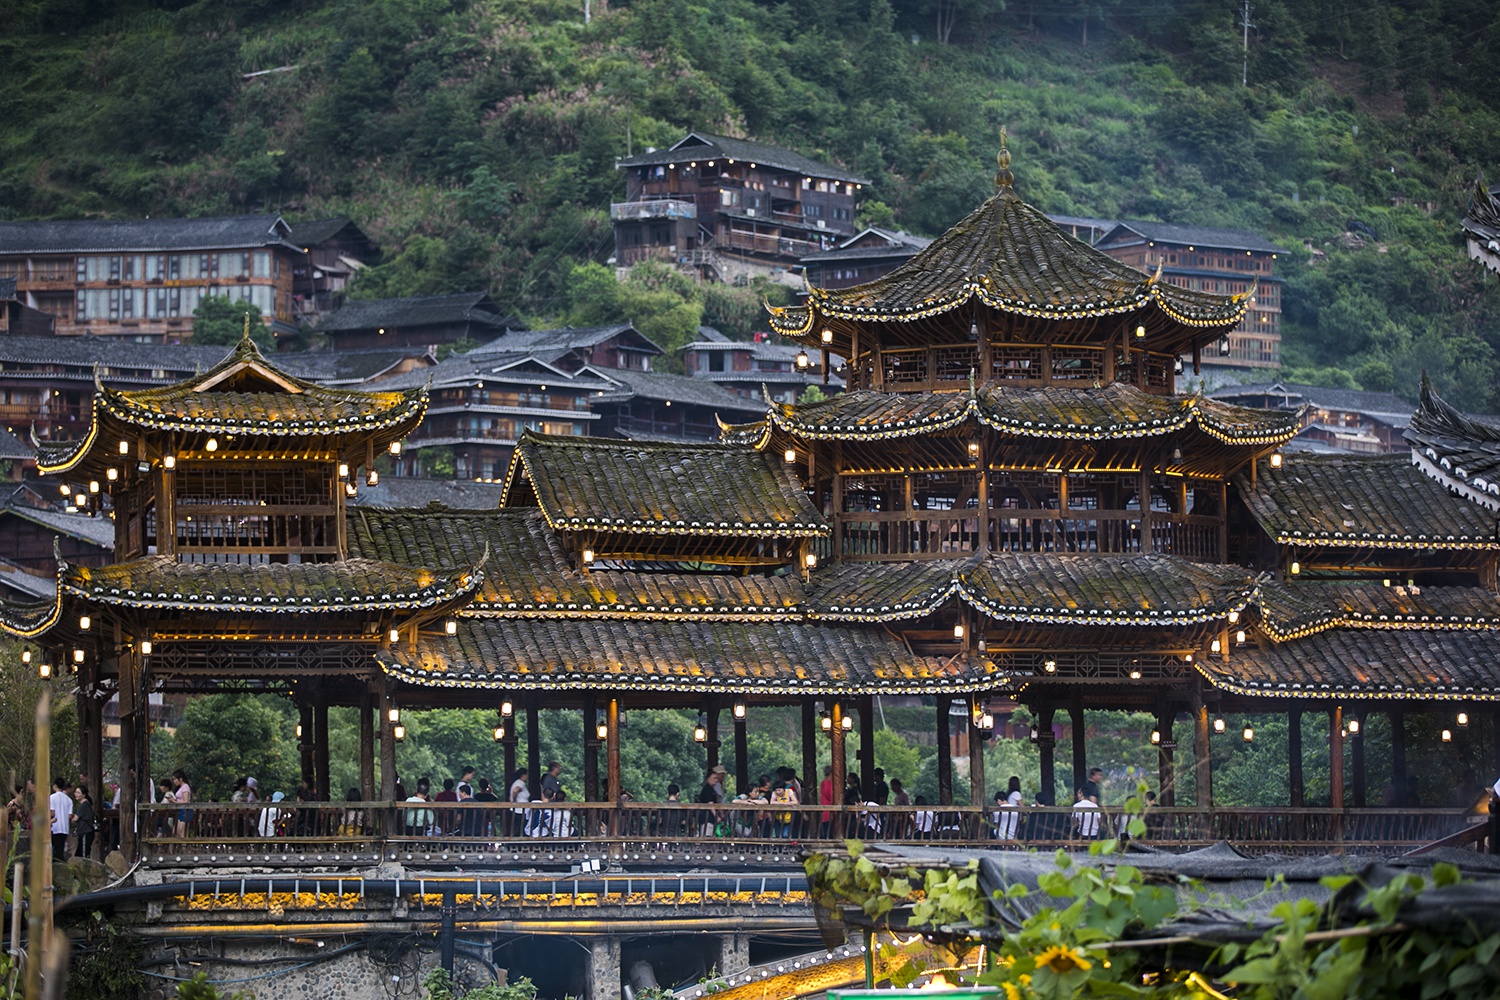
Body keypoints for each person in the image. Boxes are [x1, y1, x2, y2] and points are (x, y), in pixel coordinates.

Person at [697, 765, 727, 835]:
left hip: (710, 819)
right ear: (708, 779)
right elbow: (710, 804)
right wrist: (717, 816)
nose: (716, 780)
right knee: (707, 836)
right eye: (714, 778)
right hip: (707, 818)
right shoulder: (707, 789)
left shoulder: (712, 789)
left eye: (716, 778)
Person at [48, 779, 72, 859]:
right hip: (65, 828)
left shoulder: (52, 797)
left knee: (56, 851)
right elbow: (69, 816)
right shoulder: (69, 800)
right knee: (61, 848)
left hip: (55, 827)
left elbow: (52, 813)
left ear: (55, 786)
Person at [72, 784, 96, 859]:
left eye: (79, 793)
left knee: (84, 854)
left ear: (84, 795)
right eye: (76, 792)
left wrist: (69, 817)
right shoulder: (86, 804)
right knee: (79, 854)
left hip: (86, 832)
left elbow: (75, 819)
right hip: (84, 832)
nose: (76, 794)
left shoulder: (83, 805)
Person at [995, 776, 1023, 840]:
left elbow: (996, 824)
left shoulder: (1010, 794)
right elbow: (1022, 807)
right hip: (1014, 823)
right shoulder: (1016, 794)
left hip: (1003, 830)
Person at [507, 767, 530, 837]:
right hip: (520, 811)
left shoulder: (517, 782)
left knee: (518, 829)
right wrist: (514, 801)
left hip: (519, 810)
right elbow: (515, 791)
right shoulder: (521, 783)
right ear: (523, 775)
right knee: (521, 829)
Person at [818, 765, 835, 839]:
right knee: (829, 835)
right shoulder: (828, 783)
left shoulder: (823, 783)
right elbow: (831, 797)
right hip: (829, 813)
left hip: (826, 812)